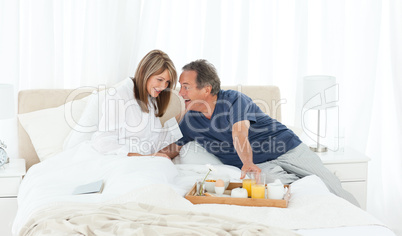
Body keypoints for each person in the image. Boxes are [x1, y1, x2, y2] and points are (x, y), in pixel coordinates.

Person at [161, 59, 359, 206]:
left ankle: (360, 220)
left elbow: (239, 133)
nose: (181, 93)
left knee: (332, 186)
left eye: (186, 87)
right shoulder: (190, 119)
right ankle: (301, 182)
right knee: (293, 188)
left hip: (288, 149)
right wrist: (152, 157)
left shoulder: (234, 100)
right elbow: (175, 147)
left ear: (206, 89)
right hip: (261, 165)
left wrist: (247, 162)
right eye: (181, 87)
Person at [91, 49, 181, 158]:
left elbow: (154, 140)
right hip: (121, 159)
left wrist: (183, 117)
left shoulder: (151, 99)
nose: (163, 87)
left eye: (167, 82)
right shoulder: (119, 96)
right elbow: (102, 140)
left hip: (142, 159)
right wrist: (140, 157)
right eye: (160, 79)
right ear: (144, 72)